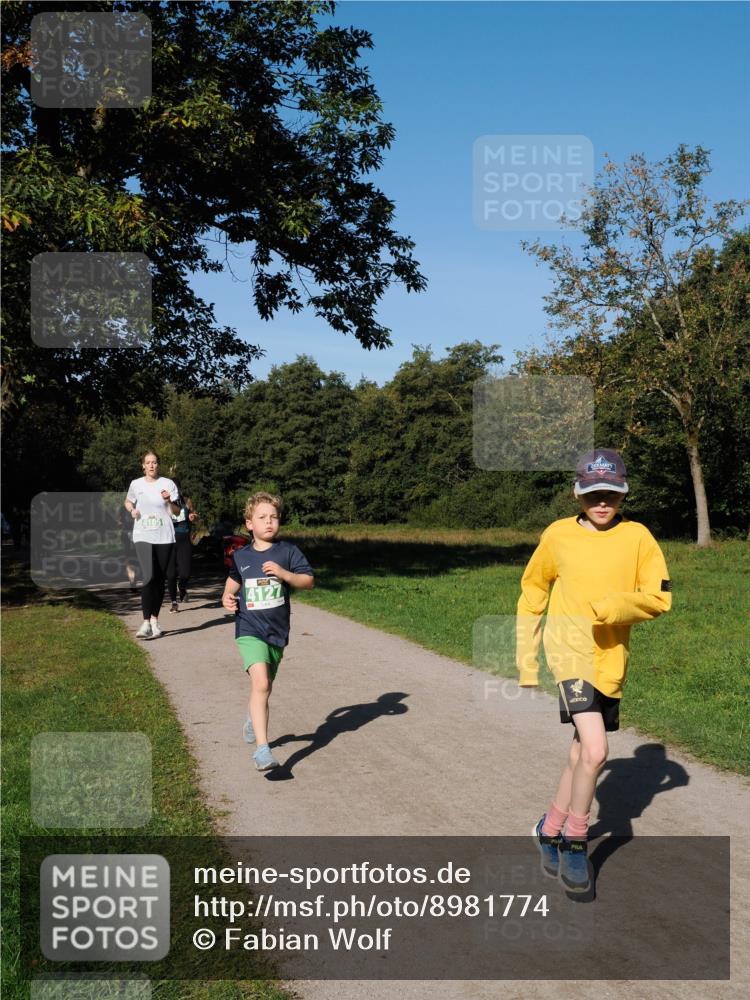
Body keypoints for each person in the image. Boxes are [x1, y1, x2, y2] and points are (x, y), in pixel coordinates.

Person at [516, 449, 672, 893]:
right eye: (592, 495)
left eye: (611, 495)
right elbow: (533, 591)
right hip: (568, 653)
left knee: (579, 753)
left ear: (622, 493)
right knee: (598, 752)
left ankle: (548, 827)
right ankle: (574, 843)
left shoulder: (639, 537)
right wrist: (527, 659)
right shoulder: (558, 535)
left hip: (611, 657)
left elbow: (659, 597)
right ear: (577, 493)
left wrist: (613, 607)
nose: (601, 504)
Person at [221, 492, 314, 771]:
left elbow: (308, 581)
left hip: (277, 632)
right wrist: (226, 598)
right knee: (260, 684)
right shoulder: (242, 556)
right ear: (249, 524)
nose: (269, 522)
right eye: (262, 517)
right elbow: (232, 583)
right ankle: (263, 750)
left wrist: (285, 574)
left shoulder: (287, 552)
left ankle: (253, 715)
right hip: (249, 629)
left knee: (265, 687)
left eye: (273, 517)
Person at [124, 451, 180, 639]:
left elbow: (177, 511)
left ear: (158, 465)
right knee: (148, 576)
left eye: (154, 462)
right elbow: (128, 501)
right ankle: (145, 622)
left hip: (164, 536)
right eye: (148, 463)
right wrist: (132, 509)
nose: (151, 466)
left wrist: (168, 501)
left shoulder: (168, 484)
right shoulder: (136, 484)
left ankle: (155, 621)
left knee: (159, 579)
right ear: (143, 465)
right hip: (143, 534)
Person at [167, 488, 198, 612]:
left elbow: (195, 515)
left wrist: (193, 516)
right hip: (168, 540)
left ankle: (182, 586)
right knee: (171, 574)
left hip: (184, 540)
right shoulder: (163, 503)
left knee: (185, 572)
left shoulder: (186, 501)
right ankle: (174, 603)